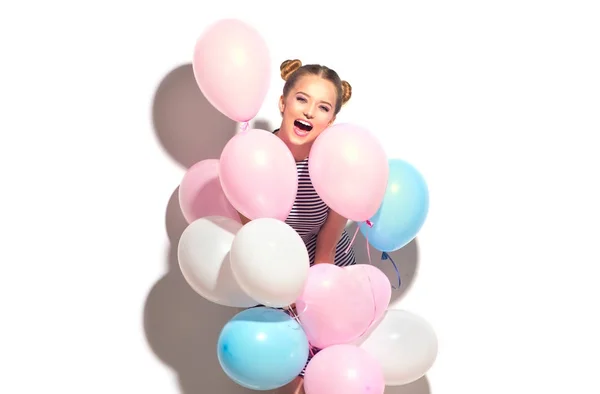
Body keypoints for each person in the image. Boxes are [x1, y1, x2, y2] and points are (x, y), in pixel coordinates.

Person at [240, 59, 357, 394]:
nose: (309, 113)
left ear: (332, 120)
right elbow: (254, 239)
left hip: (326, 270)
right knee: (289, 376)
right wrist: (282, 292)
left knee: (324, 377)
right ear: (283, 103)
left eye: (323, 107)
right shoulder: (255, 156)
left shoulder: (337, 162)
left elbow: (328, 239)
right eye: (302, 99)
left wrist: (317, 298)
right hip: (270, 275)